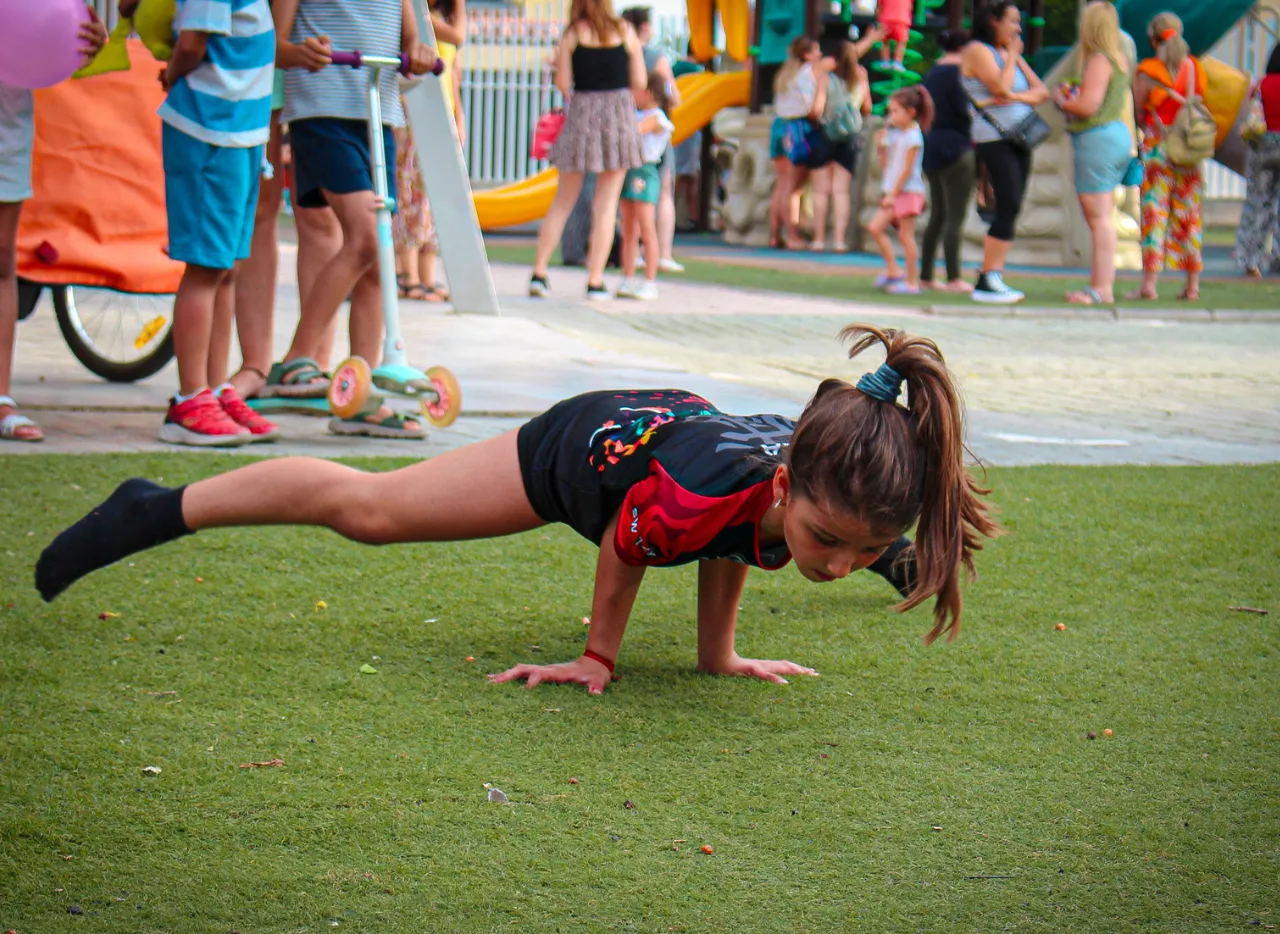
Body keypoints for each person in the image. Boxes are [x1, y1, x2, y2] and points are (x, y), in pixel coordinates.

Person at [37, 324, 1000, 696]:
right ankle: (160, 506)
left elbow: (742, 539)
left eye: (861, 552)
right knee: (368, 513)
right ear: (791, 487)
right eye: (831, 542)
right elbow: (633, 548)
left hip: (692, 442)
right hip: (578, 455)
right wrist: (596, 657)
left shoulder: (792, 487)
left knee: (758, 527)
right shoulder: (701, 495)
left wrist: (719, 655)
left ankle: (873, 549)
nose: (829, 565)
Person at [257, 0, 439, 439]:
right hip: (322, 114)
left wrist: (419, 54)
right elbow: (272, 45)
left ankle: (360, 397)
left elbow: (412, 41)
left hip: (378, 116)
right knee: (363, 239)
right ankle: (297, 358)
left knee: (378, 258)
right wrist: (301, 53)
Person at [152, 0, 277, 446]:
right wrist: (170, 73)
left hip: (240, 131)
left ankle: (212, 388)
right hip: (209, 132)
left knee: (226, 269)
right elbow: (191, 43)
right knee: (206, 269)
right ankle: (190, 399)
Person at [0, 9, 107, 443]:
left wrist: (83, 41)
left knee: (2, 261)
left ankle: (1, 397)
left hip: (9, 125)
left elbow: (45, 26)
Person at [229, 46, 342, 409]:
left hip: (325, 51)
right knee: (261, 205)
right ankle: (256, 365)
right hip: (264, 47)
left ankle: (312, 362)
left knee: (322, 213)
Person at [528, 0, 646, 301]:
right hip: (619, 117)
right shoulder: (626, 31)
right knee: (606, 205)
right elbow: (640, 81)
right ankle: (595, 280)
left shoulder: (572, 34)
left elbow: (564, 83)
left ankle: (539, 274)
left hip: (583, 114)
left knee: (563, 200)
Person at [961, 1, 1049, 304]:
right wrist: (1012, 58)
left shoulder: (1009, 55)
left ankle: (994, 273)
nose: (1018, 28)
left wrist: (1014, 95)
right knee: (1007, 201)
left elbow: (1041, 92)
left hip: (1020, 136)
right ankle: (988, 277)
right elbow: (1000, 87)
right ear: (993, 22)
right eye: (1012, 21)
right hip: (995, 137)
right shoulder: (979, 51)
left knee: (1014, 205)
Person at [1055, 1, 1133, 306]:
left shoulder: (1100, 60)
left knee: (1099, 218)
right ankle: (1100, 285)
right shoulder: (1120, 58)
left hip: (1097, 139)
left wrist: (1063, 99)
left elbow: (1089, 106)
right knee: (1102, 217)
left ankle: (1101, 287)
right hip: (1114, 135)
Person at [393, 0, 467, 302]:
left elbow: (453, 74)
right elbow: (459, 35)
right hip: (413, 115)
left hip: (442, 115)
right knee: (409, 192)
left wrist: (459, 118)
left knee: (432, 197)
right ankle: (408, 275)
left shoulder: (437, 21)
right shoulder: (419, 19)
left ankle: (426, 274)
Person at [1130, 12, 1205, 301]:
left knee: (1154, 212)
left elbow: (1138, 111)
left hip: (1158, 146)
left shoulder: (1147, 69)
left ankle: (1149, 284)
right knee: (1189, 214)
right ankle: (1192, 286)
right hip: (1188, 146)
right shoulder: (1194, 66)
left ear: (1152, 38)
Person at [621, 6, 683, 273]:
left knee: (626, 216)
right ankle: (662, 254)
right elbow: (673, 95)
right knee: (664, 192)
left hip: (626, 138)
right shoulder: (656, 58)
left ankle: (633, 259)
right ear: (645, 27)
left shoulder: (620, 55)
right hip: (650, 149)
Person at [920, 28, 974, 293]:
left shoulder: (931, 74)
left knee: (937, 214)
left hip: (931, 147)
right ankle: (954, 276)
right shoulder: (960, 75)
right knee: (956, 216)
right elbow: (968, 111)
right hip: (957, 147)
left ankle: (926, 274)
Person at [867, 86, 932, 295]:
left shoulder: (914, 137)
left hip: (908, 192)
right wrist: (881, 146)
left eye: (896, 111)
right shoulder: (898, 135)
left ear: (911, 112)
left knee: (906, 236)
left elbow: (906, 170)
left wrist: (893, 195)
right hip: (894, 191)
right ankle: (894, 270)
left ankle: (912, 281)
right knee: (875, 228)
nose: (891, 116)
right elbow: (888, 165)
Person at [808, 39, 870, 253]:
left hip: (827, 134)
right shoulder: (861, 77)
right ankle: (839, 240)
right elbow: (867, 107)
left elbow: (817, 109)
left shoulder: (827, 79)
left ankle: (818, 239)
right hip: (851, 137)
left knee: (820, 191)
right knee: (841, 191)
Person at [617, 72, 674, 301]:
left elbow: (634, 131)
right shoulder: (637, 113)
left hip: (645, 171)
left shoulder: (657, 118)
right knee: (628, 228)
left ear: (648, 92)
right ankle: (628, 278)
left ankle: (650, 281)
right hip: (629, 169)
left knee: (646, 226)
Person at [768, 36, 822, 250]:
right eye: (816, 51)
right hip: (798, 128)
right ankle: (793, 235)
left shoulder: (784, 74)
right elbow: (811, 107)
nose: (820, 55)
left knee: (781, 184)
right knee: (793, 187)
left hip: (779, 126)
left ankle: (775, 234)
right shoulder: (807, 75)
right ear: (807, 54)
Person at [1235, 43, 1280, 277]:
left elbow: (1249, 116)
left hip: (1262, 147)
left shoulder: (1261, 84)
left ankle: (1250, 260)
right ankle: (1277, 259)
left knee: (1257, 203)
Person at [876, 0, 914, 72]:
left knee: (884, 42)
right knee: (901, 42)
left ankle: (885, 61)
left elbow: (879, 6)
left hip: (885, 19)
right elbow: (910, 7)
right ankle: (897, 62)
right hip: (901, 20)